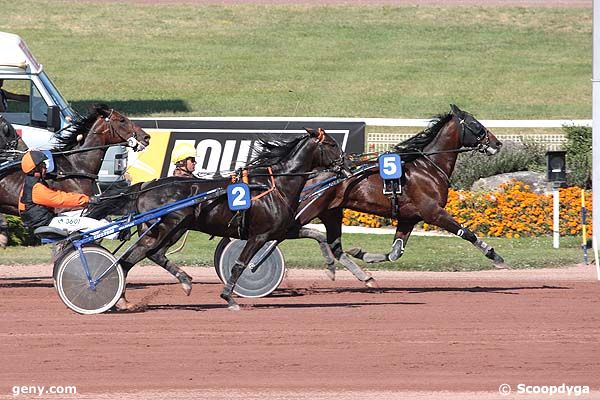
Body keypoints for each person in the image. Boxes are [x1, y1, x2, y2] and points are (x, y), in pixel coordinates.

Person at [18, 150, 89, 231]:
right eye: (43, 165)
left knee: (86, 212)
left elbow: (56, 195)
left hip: (45, 220)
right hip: (47, 222)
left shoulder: (31, 182)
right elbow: (59, 200)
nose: (46, 168)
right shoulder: (36, 187)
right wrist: (86, 200)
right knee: (92, 224)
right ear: (36, 168)